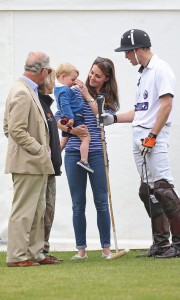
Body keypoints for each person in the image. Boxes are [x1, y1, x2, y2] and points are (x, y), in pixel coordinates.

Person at [101, 29, 180, 258]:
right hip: (140, 136)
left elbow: (166, 106)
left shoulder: (161, 69)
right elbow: (140, 111)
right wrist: (114, 118)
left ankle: (178, 243)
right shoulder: (143, 74)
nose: (126, 57)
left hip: (153, 136)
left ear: (137, 50)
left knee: (163, 188)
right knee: (147, 191)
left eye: (127, 52)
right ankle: (161, 244)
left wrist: (153, 135)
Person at [55, 57, 119, 259]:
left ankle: (106, 249)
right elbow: (57, 118)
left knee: (101, 201)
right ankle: (81, 250)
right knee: (78, 203)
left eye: (97, 75)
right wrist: (72, 129)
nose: (92, 77)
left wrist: (88, 96)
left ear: (106, 78)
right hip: (74, 152)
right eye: (91, 72)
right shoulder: (72, 91)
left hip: (98, 152)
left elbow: (102, 118)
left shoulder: (109, 99)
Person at [3, 51, 61, 267]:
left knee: (37, 210)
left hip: (36, 163)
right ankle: (17, 256)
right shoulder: (22, 92)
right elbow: (14, 130)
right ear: (44, 71)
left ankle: (34, 253)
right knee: (24, 211)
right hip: (28, 163)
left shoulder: (28, 90)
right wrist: (38, 149)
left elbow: (8, 127)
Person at [38, 70, 63, 262]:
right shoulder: (37, 103)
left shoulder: (46, 104)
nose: (54, 84)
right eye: (52, 79)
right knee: (41, 210)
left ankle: (43, 250)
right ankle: (38, 250)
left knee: (49, 209)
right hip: (40, 168)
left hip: (51, 168)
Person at [54, 63, 93, 173]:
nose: (74, 82)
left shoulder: (57, 89)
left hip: (66, 118)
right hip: (75, 117)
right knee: (86, 138)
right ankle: (84, 160)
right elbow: (65, 104)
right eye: (72, 79)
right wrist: (70, 118)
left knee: (63, 141)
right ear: (63, 76)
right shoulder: (66, 90)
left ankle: (53, 158)